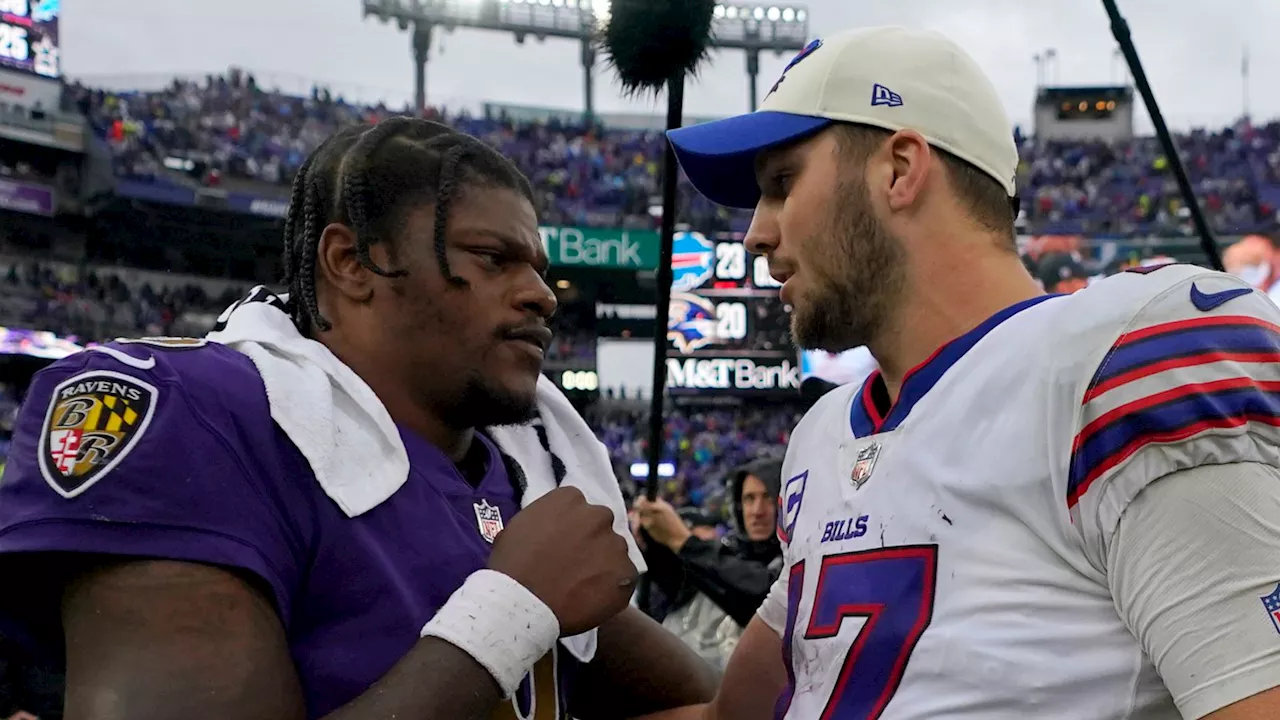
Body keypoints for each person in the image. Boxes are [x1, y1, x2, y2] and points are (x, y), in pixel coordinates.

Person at [648, 25, 1280, 720]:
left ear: (899, 169)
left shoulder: (1118, 359)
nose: (755, 233)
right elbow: (731, 714)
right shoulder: (824, 432)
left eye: (781, 184)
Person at [0, 118, 715, 719]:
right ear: (350, 262)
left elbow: (705, 706)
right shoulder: (203, 414)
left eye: (537, 267)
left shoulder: (524, 468)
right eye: (493, 258)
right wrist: (512, 610)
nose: (540, 295)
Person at [633, 460, 784, 668]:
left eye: (768, 497)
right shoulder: (729, 551)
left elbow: (762, 595)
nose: (757, 511)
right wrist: (654, 541)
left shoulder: (799, 558)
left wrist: (683, 541)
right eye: (749, 498)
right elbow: (676, 579)